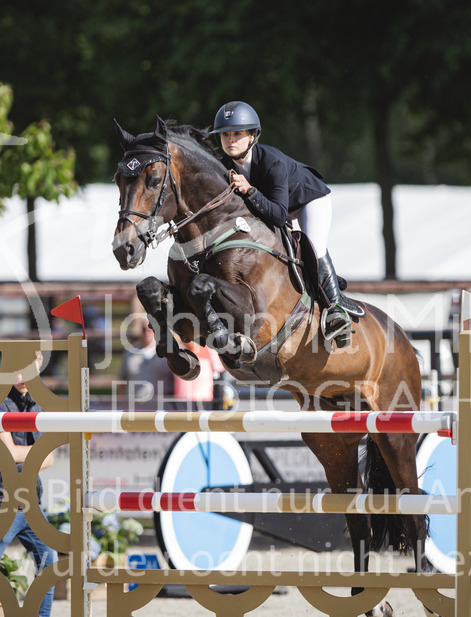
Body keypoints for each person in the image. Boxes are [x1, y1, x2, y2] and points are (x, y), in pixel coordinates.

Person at [209, 100, 362, 347]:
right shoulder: (222, 166)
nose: (230, 139)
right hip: (271, 206)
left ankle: (335, 309)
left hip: (307, 200)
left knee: (313, 246)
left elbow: (279, 216)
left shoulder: (272, 162)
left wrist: (250, 192)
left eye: (237, 133)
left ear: (251, 136)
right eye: (225, 134)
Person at [0, 351, 58, 617]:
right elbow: (8, 454)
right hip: (0, 502)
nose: (24, 377)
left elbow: (51, 458)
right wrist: (36, 453)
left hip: (31, 500)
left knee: (50, 564)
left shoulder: (37, 403)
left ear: (39, 366)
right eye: (19, 370)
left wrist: (30, 454)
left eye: (30, 370)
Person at [118, 315, 174, 409]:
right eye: (144, 328)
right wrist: (123, 404)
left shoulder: (168, 354)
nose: (147, 331)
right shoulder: (130, 353)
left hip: (161, 409)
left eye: (150, 328)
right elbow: (121, 381)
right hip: (133, 408)